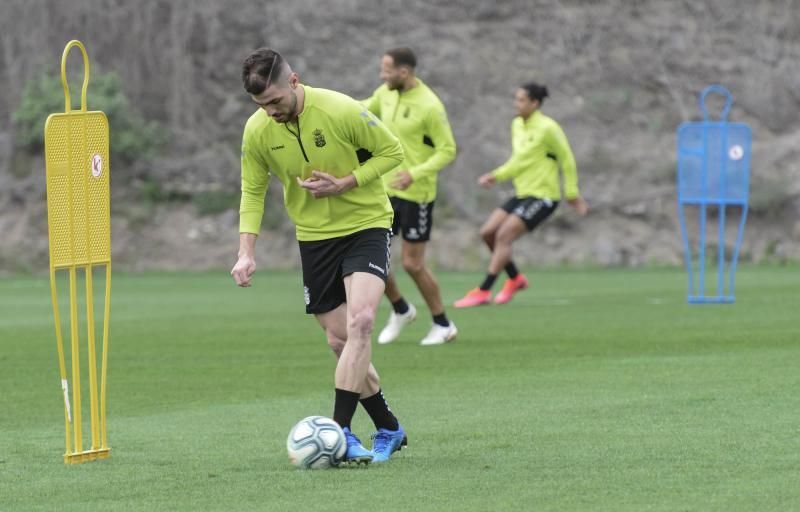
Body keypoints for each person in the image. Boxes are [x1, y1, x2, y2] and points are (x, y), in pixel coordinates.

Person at [231, 48, 408, 464]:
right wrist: (245, 252)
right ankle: (389, 427)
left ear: (294, 81)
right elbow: (252, 192)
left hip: (366, 224)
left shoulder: (340, 109)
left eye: (274, 100)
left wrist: (348, 182)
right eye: (261, 105)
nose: (270, 111)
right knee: (340, 340)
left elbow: (392, 152)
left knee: (361, 321)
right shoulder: (257, 131)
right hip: (314, 238)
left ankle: (340, 432)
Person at [454, 82, 588, 308]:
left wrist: (572, 193)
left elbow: (567, 159)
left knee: (504, 236)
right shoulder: (517, 125)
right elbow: (519, 161)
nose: (516, 104)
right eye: (515, 99)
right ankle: (515, 278)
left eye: (521, 100)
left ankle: (484, 290)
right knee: (488, 233)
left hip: (544, 196)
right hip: (522, 193)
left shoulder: (548, 128)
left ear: (535, 103)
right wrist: (495, 176)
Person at [362, 47, 458, 346]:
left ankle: (443, 324)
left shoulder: (430, 105)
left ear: (404, 72)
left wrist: (414, 173)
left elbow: (448, 150)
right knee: (373, 258)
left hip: (417, 194)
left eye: (387, 70)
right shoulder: (385, 93)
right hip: (385, 192)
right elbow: (363, 108)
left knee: (413, 264)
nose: (382, 75)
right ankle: (401, 309)